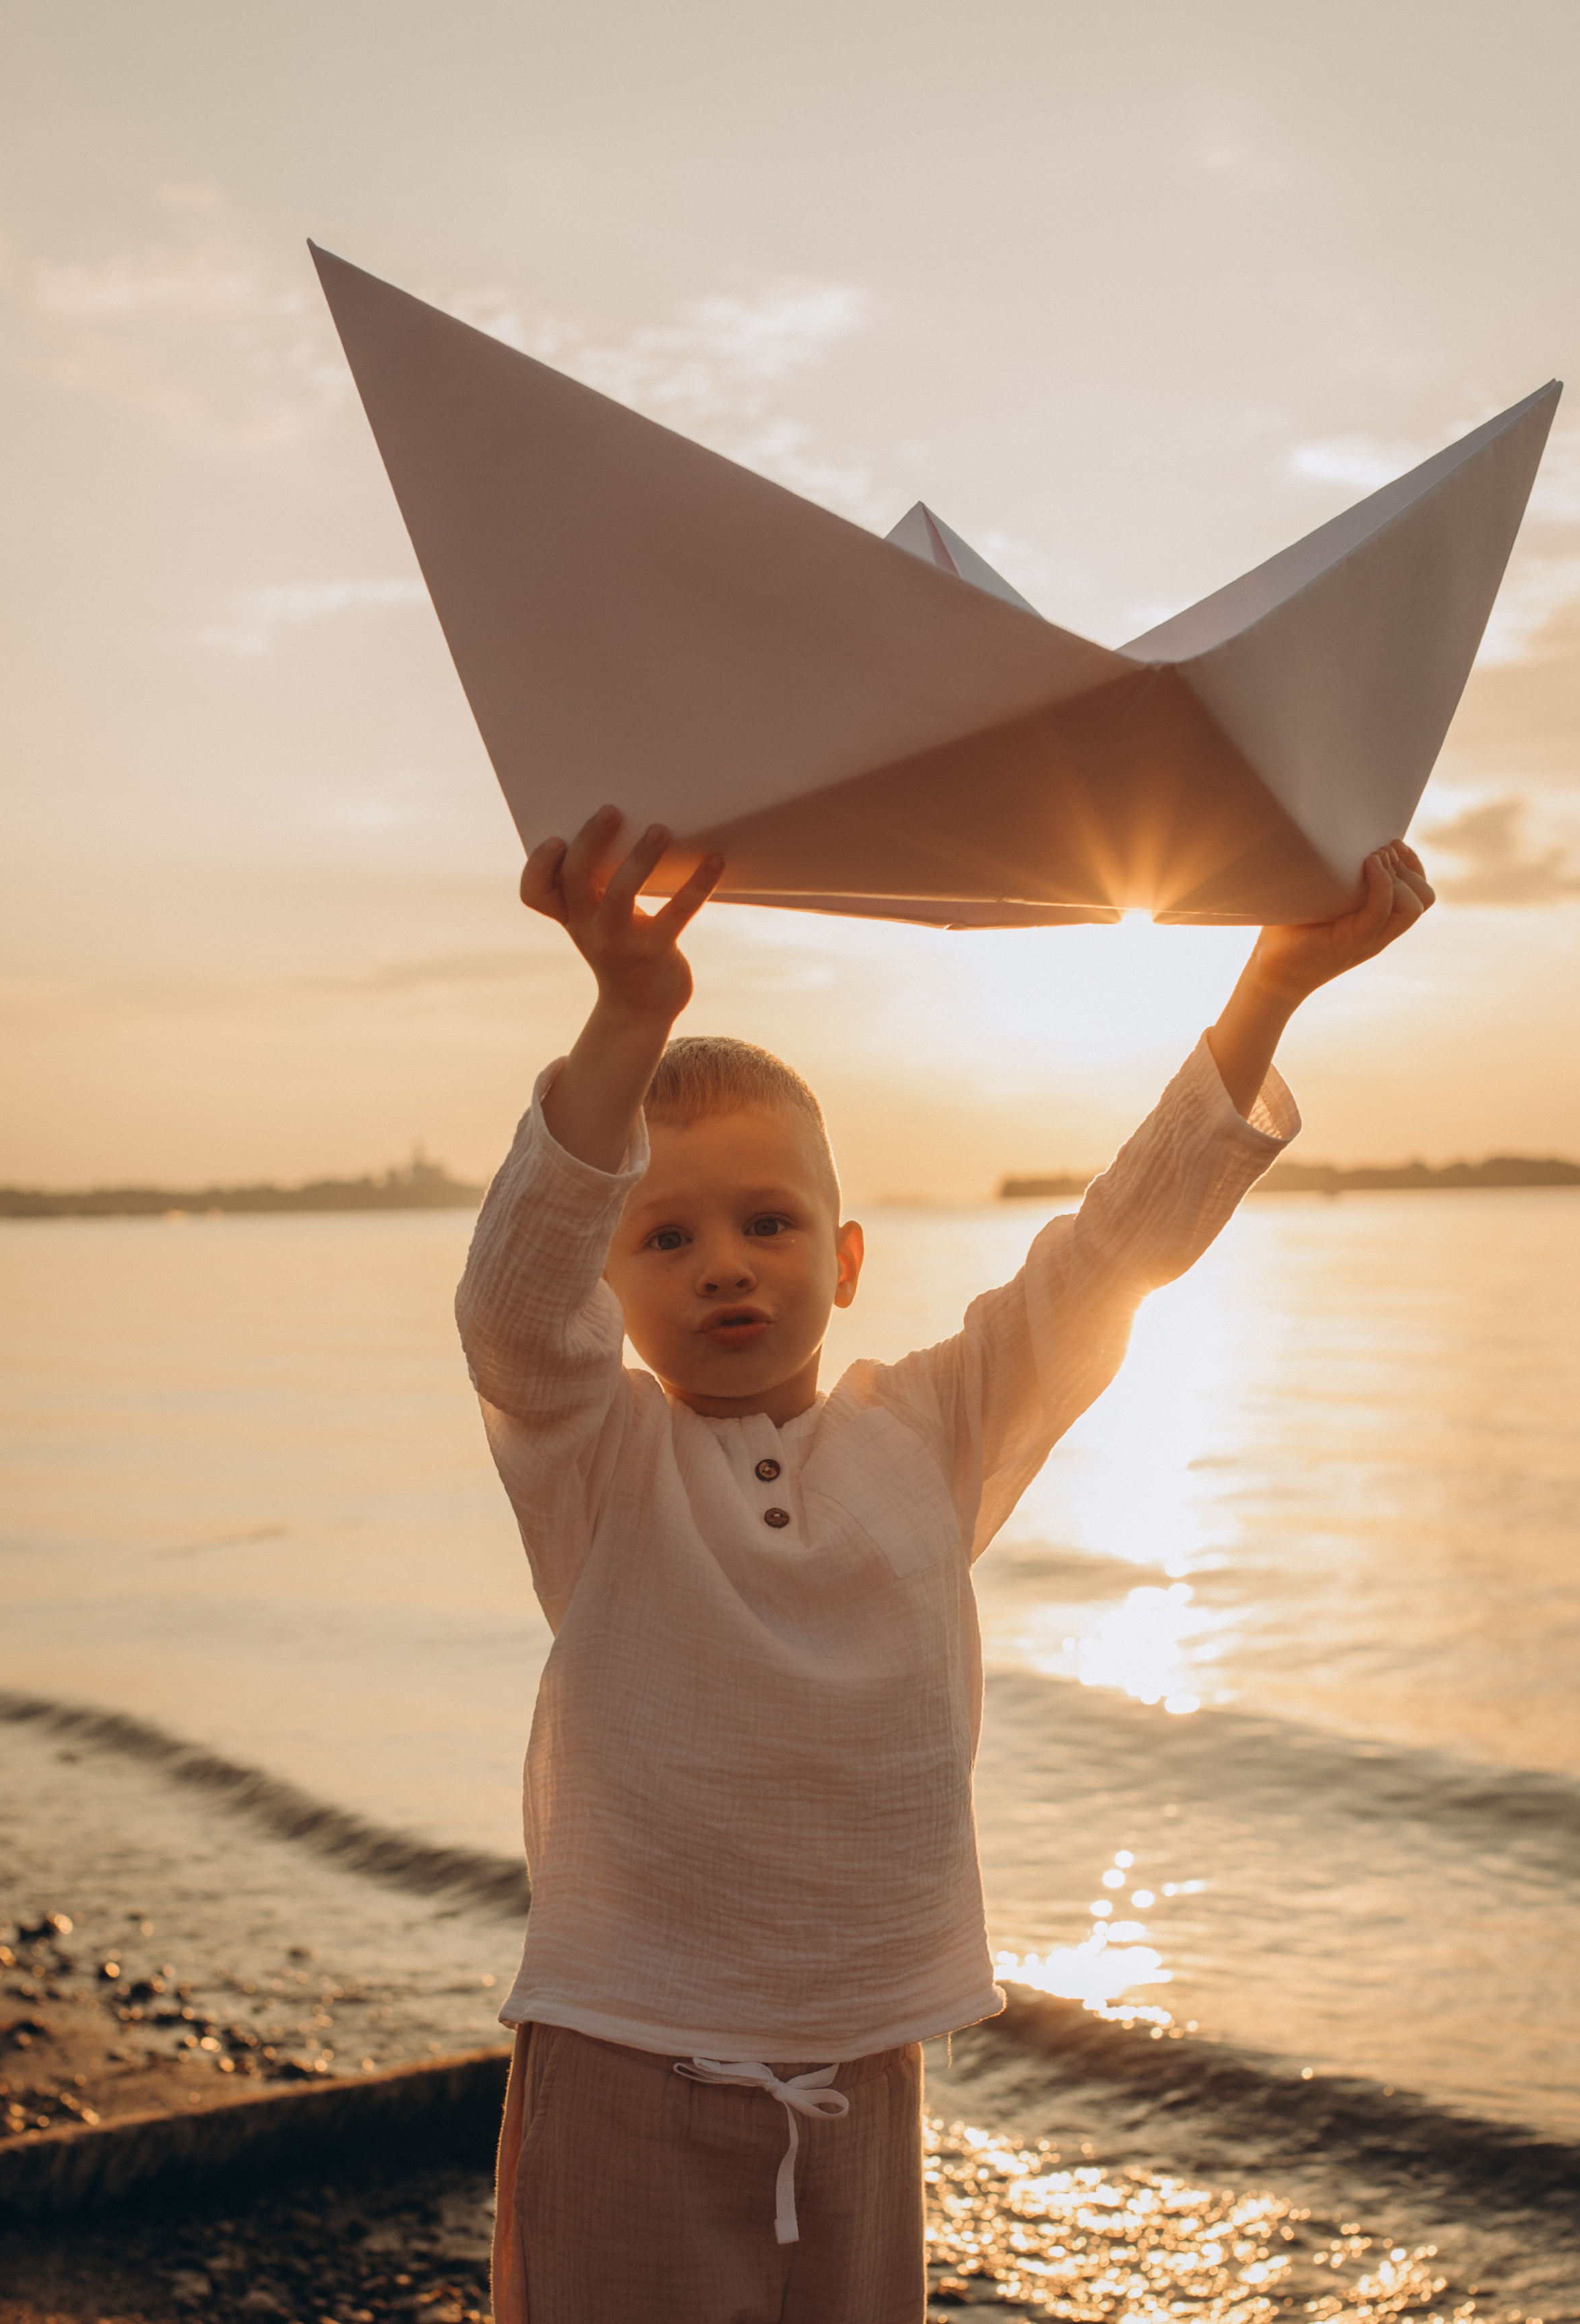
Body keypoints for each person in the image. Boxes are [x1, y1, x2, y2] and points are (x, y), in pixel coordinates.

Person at [457, 806, 1435, 2324]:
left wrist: (1268, 991)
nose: (723, 1260)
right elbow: (512, 1306)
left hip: (865, 2063)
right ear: (608, 1279)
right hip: (625, 2054)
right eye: (663, 1237)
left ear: (843, 1259)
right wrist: (629, 1013)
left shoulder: (930, 1427)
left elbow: (1113, 1248)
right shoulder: (596, 1463)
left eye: (767, 1221)